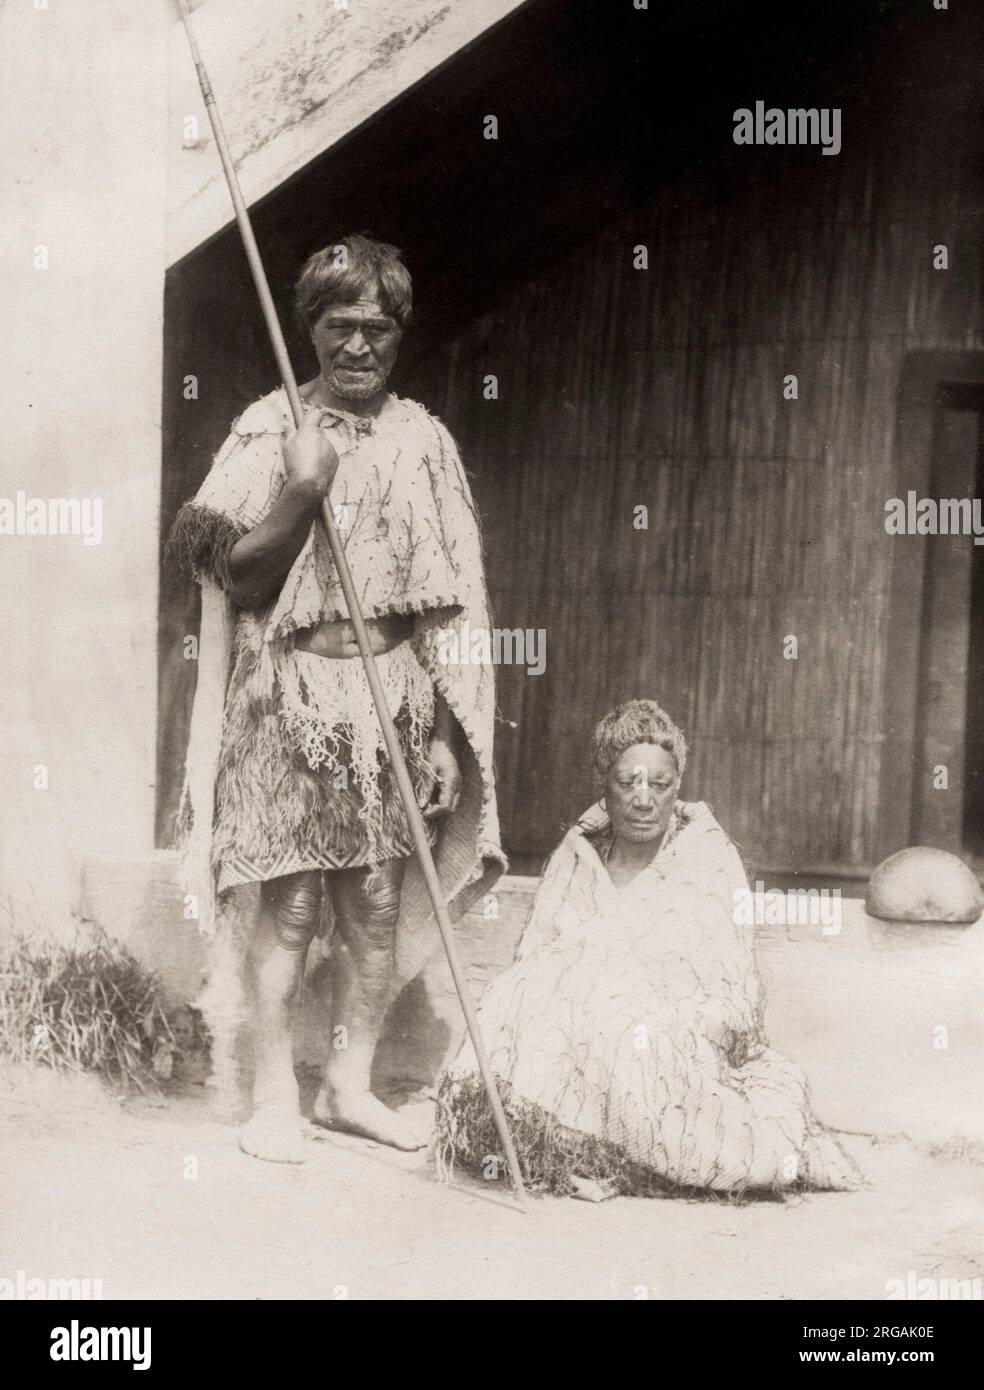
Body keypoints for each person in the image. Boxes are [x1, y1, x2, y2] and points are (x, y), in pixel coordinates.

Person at [170, 235, 504, 1164]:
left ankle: (345, 1087)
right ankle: (276, 1095)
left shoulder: (422, 441)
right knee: (291, 909)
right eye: (339, 327)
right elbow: (228, 571)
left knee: (375, 911)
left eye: (377, 330)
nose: (358, 347)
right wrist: (302, 488)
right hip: (289, 701)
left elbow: (449, 605)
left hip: (394, 700)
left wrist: (443, 732)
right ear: (309, 329)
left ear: (399, 335)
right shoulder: (269, 428)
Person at [437, 699, 861, 1197]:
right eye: (627, 783)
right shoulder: (577, 856)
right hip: (577, 1033)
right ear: (604, 784)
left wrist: (633, 997)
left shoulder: (706, 860)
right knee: (516, 996)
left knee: (625, 1027)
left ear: (676, 786)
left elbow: (731, 991)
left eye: (659, 785)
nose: (643, 800)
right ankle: (572, 1153)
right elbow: (536, 958)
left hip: (672, 1038)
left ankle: (615, 1158)